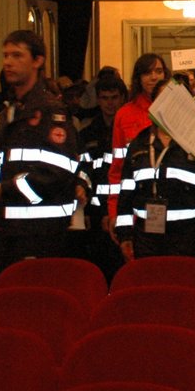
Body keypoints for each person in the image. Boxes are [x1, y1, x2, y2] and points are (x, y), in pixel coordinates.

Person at [0, 30, 84, 280]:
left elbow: (58, 173)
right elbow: (4, 169)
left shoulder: (51, 112)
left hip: (43, 234)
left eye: (17, 55)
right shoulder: (11, 112)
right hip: (9, 231)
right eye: (6, 55)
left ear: (37, 61)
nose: (8, 62)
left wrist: (4, 189)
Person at [113, 117, 195, 261]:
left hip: (187, 236)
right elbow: (126, 192)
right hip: (146, 236)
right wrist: (125, 235)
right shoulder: (139, 143)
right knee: (151, 281)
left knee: (181, 281)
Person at [72, 71, 128, 279]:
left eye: (114, 98)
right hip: (95, 211)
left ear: (122, 98)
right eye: (104, 98)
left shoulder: (129, 131)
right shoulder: (88, 133)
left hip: (122, 206)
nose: (109, 104)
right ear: (97, 99)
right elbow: (83, 170)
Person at [105, 53, 170, 223]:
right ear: (138, 78)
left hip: (179, 203)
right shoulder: (125, 114)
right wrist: (114, 210)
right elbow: (117, 168)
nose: (154, 77)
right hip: (137, 203)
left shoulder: (181, 111)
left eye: (159, 71)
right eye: (148, 73)